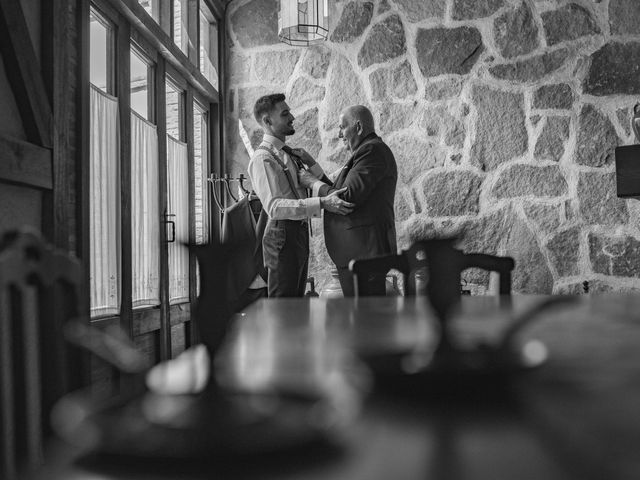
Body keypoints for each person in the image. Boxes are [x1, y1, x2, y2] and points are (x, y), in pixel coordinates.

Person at [247, 93, 354, 298]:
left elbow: (306, 183)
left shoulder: (288, 154)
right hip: (281, 236)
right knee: (284, 308)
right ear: (268, 121)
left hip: (297, 234)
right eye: (285, 114)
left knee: (295, 305)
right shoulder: (263, 159)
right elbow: (275, 207)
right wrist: (322, 203)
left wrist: (316, 164)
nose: (292, 117)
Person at [298, 105, 398, 296]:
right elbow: (336, 191)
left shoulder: (371, 152)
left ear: (358, 127)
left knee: (365, 318)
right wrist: (312, 165)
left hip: (364, 254)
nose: (339, 134)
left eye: (342, 127)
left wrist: (311, 183)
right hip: (360, 253)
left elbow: (345, 197)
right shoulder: (367, 151)